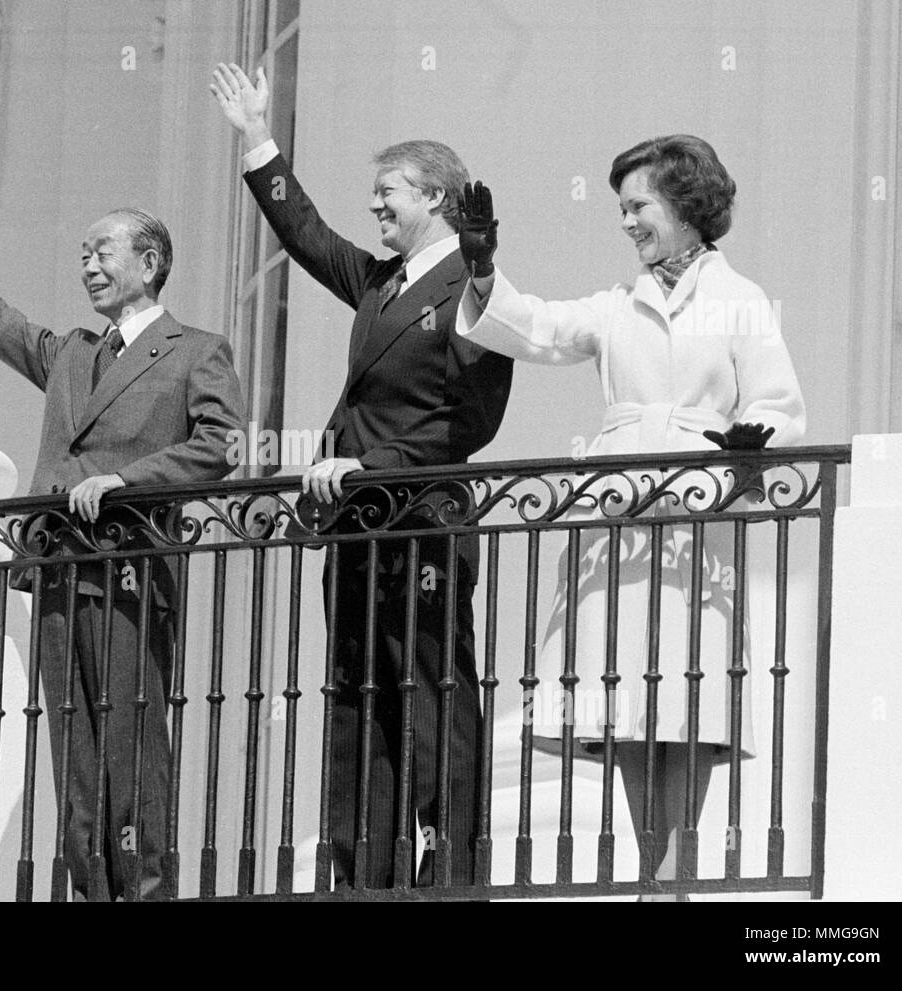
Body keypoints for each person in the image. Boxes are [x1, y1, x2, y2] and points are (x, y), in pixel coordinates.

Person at [0, 174, 245, 900]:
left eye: (102, 250)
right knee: (74, 748)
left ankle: (147, 888)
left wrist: (127, 480)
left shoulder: (195, 350)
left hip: (129, 568)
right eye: (81, 254)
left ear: (150, 262)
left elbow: (222, 443)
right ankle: (93, 887)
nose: (88, 265)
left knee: (129, 742)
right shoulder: (74, 351)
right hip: (57, 568)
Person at [453, 135, 806, 897]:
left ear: (684, 206)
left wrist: (746, 449)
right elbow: (536, 328)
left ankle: (670, 883)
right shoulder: (617, 304)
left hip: (695, 529)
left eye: (638, 204)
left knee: (689, 706)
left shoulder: (739, 299)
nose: (627, 222)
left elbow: (778, 406)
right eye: (621, 207)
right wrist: (481, 268)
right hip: (617, 533)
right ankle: (652, 883)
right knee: (628, 711)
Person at [210, 64, 515, 889]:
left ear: (439, 199)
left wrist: (369, 466)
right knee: (357, 692)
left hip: (419, 518)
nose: (376, 205)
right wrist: (258, 138)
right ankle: (362, 868)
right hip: (354, 526)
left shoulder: (474, 285)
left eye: (391, 192)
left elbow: (474, 422)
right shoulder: (381, 281)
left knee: (430, 692)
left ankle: (449, 868)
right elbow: (306, 235)